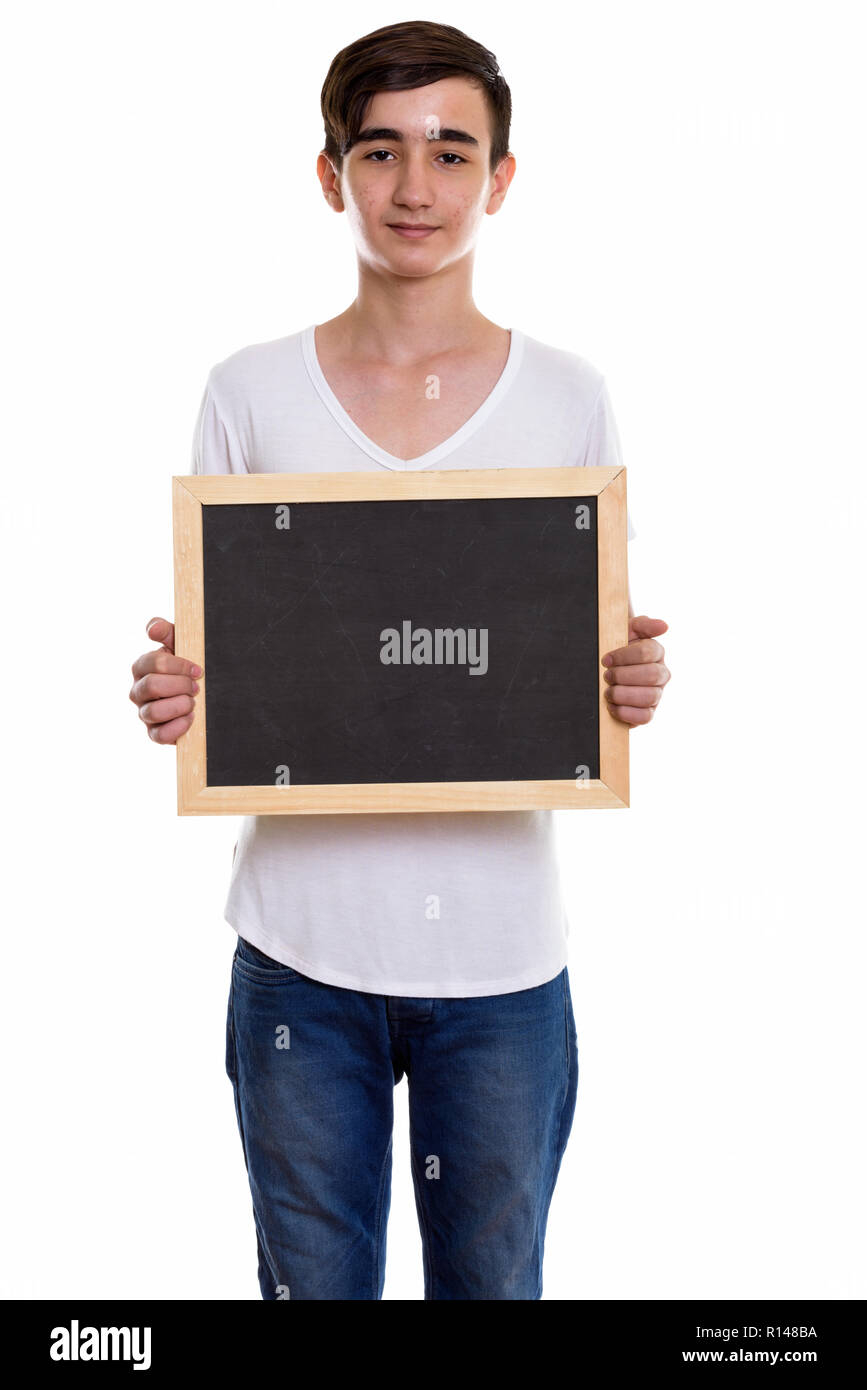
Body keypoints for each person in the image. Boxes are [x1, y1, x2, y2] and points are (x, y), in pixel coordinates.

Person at [129, 19, 671, 1300]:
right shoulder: (247, 391)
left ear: (502, 176)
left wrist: (628, 686)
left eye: (450, 151)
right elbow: (231, 655)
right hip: (301, 956)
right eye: (380, 151)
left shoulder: (570, 397)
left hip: (503, 964)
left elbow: (588, 652)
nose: (415, 187)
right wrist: (176, 696)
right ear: (331, 173)